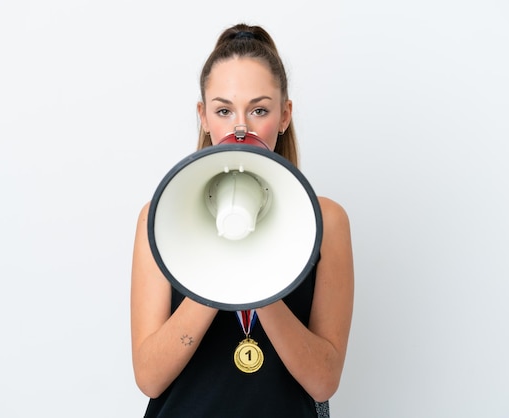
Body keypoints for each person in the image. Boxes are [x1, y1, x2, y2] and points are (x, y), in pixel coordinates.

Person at [130, 23, 354, 418]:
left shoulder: (327, 222)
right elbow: (150, 378)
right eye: (223, 110)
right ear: (203, 116)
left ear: (284, 115)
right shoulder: (159, 218)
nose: (240, 127)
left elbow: (323, 381)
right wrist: (222, 263)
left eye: (259, 109)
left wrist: (259, 275)